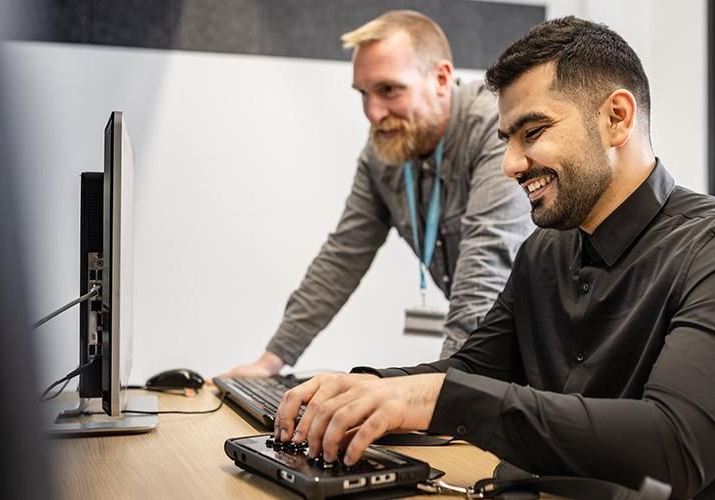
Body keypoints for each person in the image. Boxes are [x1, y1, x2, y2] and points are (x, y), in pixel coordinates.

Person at [274, 16, 715, 499]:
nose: (510, 164)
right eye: (507, 139)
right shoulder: (545, 251)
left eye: (533, 132)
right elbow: (471, 370)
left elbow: (676, 449)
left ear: (616, 118)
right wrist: (368, 388)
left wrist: (437, 398)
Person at [223, 11, 534, 377]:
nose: (373, 112)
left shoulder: (494, 130)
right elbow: (342, 257)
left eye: (389, 90)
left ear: (441, 78)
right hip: (493, 350)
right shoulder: (383, 154)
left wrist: (443, 390)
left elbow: (485, 264)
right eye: (363, 94)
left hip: (551, 349)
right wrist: (270, 361)